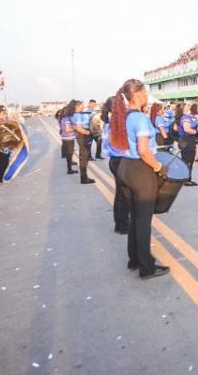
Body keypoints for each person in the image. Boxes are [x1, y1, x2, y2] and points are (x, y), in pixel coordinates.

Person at [112, 79, 170, 280]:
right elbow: (144, 151)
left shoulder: (125, 116)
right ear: (137, 94)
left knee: (134, 218)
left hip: (125, 168)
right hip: (140, 170)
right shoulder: (140, 119)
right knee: (144, 221)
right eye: (145, 91)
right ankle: (147, 266)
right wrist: (159, 168)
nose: (147, 95)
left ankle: (134, 259)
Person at [101, 97, 130, 234]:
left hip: (114, 160)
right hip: (121, 160)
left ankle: (119, 223)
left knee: (120, 193)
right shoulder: (117, 123)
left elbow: (107, 148)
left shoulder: (108, 122)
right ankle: (123, 224)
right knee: (124, 194)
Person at [72, 101, 95, 184]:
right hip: (82, 136)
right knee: (84, 157)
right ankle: (84, 178)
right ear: (78, 106)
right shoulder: (78, 115)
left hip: (79, 136)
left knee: (83, 156)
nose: (83, 107)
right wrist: (87, 132)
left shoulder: (74, 114)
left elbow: (73, 126)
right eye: (82, 106)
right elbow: (79, 128)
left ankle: (84, 177)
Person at [178, 103, 198, 186]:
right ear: (183, 109)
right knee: (188, 161)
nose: (188, 107)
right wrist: (197, 133)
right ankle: (187, 180)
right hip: (187, 140)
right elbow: (187, 129)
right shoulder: (185, 117)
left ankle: (187, 179)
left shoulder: (186, 116)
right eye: (187, 106)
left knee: (188, 161)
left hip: (188, 140)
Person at [59, 100, 78, 175]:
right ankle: (69, 170)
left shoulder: (64, 116)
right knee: (70, 154)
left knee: (69, 154)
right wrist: (76, 128)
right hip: (69, 138)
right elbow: (67, 129)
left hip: (65, 137)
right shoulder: (67, 117)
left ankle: (69, 168)